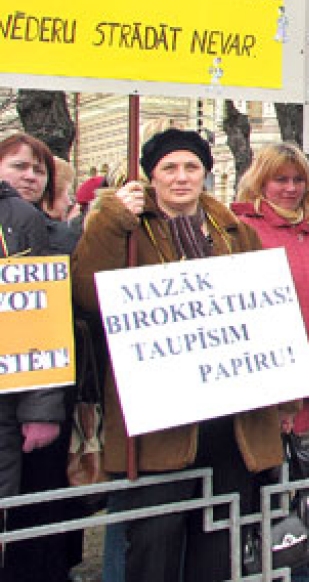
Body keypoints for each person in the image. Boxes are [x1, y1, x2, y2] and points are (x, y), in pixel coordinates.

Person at [71, 128, 289, 582]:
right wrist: (111, 220)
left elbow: (264, 314)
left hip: (230, 423)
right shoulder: (128, 229)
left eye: (191, 167)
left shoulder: (234, 232)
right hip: (162, 427)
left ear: (206, 173)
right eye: (169, 168)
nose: (181, 177)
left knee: (220, 549)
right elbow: (88, 295)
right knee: (155, 548)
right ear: (152, 176)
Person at [233, 144, 309, 582]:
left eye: (298, 180)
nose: (290, 188)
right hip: (265, 401)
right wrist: (278, 386)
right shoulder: (241, 232)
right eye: (280, 179)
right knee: (275, 517)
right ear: (260, 180)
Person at [0, 135, 66, 582]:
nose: (29, 176)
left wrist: (40, 410)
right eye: (19, 166)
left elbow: (40, 317)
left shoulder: (22, 221)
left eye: (38, 170)